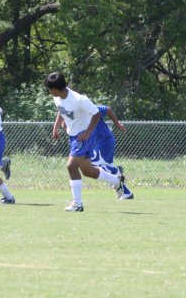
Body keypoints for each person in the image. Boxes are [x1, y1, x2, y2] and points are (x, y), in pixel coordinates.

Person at [45, 72, 130, 211]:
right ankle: (116, 180)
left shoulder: (79, 99)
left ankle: (77, 204)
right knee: (88, 171)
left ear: (54, 89)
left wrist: (88, 132)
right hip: (73, 136)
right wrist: (56, 127)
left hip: (83, 136)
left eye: (49, 89)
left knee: (71, 166)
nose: (49, 91)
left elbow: (96, 113)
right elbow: (61, 110)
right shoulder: (57, 98)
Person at [51, 101, 134, 199]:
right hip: (97, 143)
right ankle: (127, 193)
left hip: (104, 142)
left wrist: (118, 124)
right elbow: (65, 120)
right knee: (106, 173)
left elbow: (107, 109)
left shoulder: (89, 108)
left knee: (90, 164)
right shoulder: (74, 113)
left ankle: (116, 170)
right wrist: (63, 127)